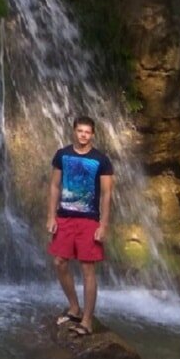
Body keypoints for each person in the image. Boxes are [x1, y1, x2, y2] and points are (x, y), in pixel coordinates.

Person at [47, 115, 114, 336]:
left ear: (92, 134)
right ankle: (74, 307)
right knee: (59, 262)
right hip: (64, 217)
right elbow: (55, 186)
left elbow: (106, 194)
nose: (83, 135)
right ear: (74, 131)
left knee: (87, 268)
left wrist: (103, 225)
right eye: (80, 131)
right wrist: (51, 216)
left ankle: (87, 321)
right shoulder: (62, 155)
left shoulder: (101, 160)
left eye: (88, 132)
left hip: (89, 220)